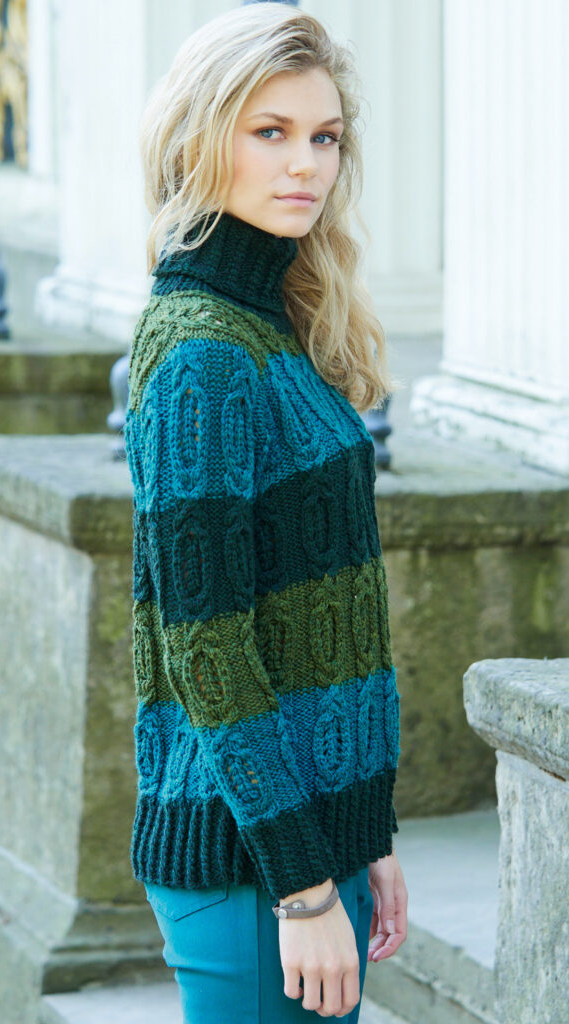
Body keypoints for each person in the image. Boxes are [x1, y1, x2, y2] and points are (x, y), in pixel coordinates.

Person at [124, 4, 408, 1021]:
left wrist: (364, 836)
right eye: (270, 131)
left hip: (310, 842)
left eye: (324, 137)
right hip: (255, 868)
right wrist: (304, 888)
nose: (305, 165)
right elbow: (208, 645)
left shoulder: (271, 320)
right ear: (199, 140)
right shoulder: (202, 351)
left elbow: (322, 624)